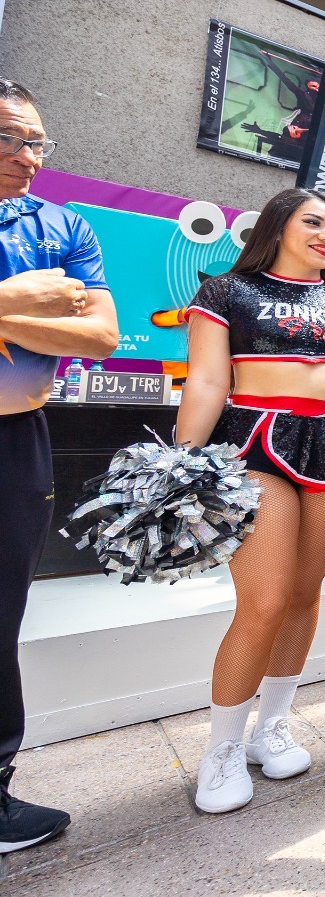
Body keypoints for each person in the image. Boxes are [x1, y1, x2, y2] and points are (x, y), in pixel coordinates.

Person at [178, 187, 325, 814]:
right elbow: (210, 381)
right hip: (255, 446)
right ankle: (220, 752)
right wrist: (180, 461)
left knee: (304, 592)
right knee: (263, 600)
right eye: (313, 222)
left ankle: (273, 725)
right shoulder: (227, 292)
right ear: (277, 226)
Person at [0, 80, 117, 850]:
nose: (25, 157)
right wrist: (25, 303)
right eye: (9, 138)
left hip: (19, 440)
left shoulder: (63, 225)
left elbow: (102, 336)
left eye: (36, 142)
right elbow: (56, 321)